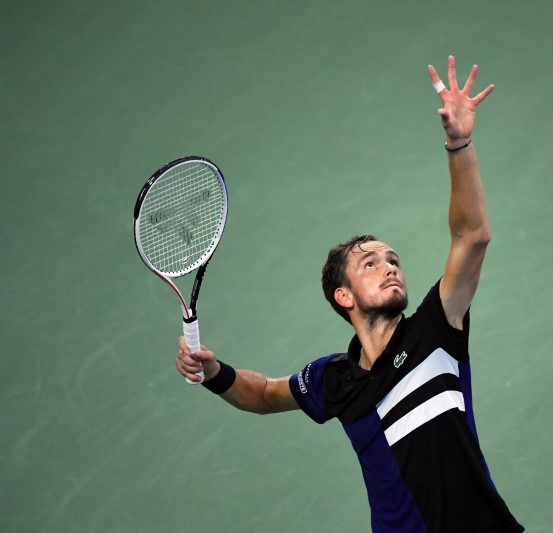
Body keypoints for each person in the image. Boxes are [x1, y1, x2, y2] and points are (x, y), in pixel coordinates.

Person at [176, 55, 524, 533]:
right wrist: (215, 373)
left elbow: (472, 236)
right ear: (343, 296)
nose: (390, 266)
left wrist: (458, 143)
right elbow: (263, 394)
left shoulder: (436, 330)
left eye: (393, 259)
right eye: (370, 263)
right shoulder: (334, 380)